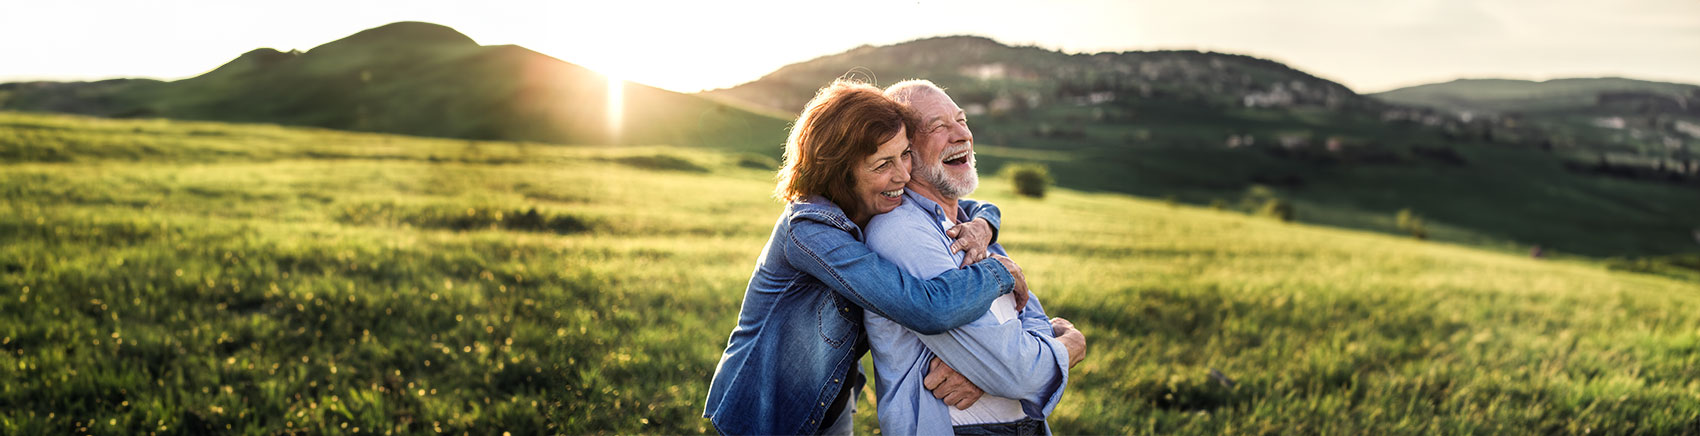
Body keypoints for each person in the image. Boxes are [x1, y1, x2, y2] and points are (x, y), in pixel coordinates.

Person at [703, 79, 1034, 435]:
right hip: (766, 412)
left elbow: (968, 205)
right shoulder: (810, 231)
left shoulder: (871, 203)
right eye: (882, 165)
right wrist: (999, 272)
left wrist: (984, 224)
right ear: (840, 171)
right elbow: (926, 308)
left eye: (904, 154)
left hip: (830, 402)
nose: (903, 175)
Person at [863, 80, 1088, 435]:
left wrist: (989, 372)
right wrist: (1070, 345)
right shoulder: (901, 232)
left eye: (961, 120)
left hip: (1025, 425)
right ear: (905, 152)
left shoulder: (972, 228)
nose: (962, 135)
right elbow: (1017, 373)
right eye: (938, 126)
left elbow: (1029, 316)